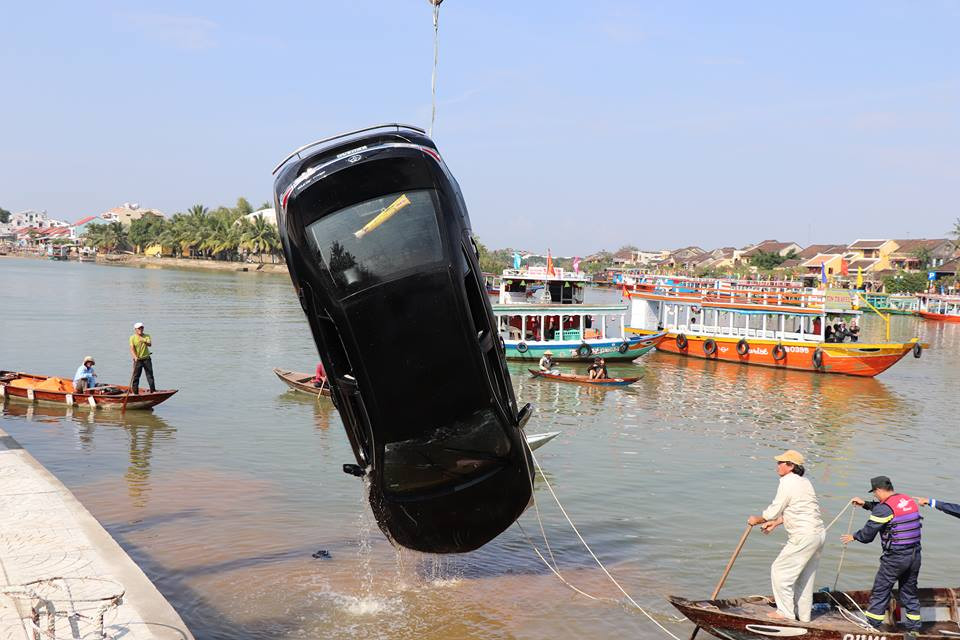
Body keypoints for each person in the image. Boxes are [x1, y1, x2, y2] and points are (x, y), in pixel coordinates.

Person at [746, 450, 825, 623]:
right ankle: (804, 618)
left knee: (780, 571)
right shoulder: (805, 482)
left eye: (781, 463)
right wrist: (776, 523)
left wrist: (758, 519)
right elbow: (798, 509)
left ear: (791, 466)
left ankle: (785, 613)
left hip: (803, 536)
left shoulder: (787, 481)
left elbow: (774, 509)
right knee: (805, 579)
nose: (777, 466)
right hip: (818, 534)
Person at [841, 476, 922, 632]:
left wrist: (854, 536)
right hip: (915, 555)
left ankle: (872, 626)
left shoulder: (883, 509)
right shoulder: (906, 500)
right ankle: (914, 629)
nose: (875, 496)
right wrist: (865, 504)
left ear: (878, 490)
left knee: (881, 590)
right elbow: (888, 510)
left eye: (874, 493)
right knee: (909, 592)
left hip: (896, 557)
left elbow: (867, 535)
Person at [129, 322, 156, 394]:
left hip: (146, 358)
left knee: (150, 375)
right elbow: (131, 349)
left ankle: (153, 391)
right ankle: (135, 393)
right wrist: (135, 357)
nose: (140, 329)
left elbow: (149, 344)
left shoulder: (147, 336)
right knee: (136, 376)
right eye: (139, 328)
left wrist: (143, 340)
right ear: (135, 329)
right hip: (138, 360)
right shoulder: (132, 337)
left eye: (142, 328)